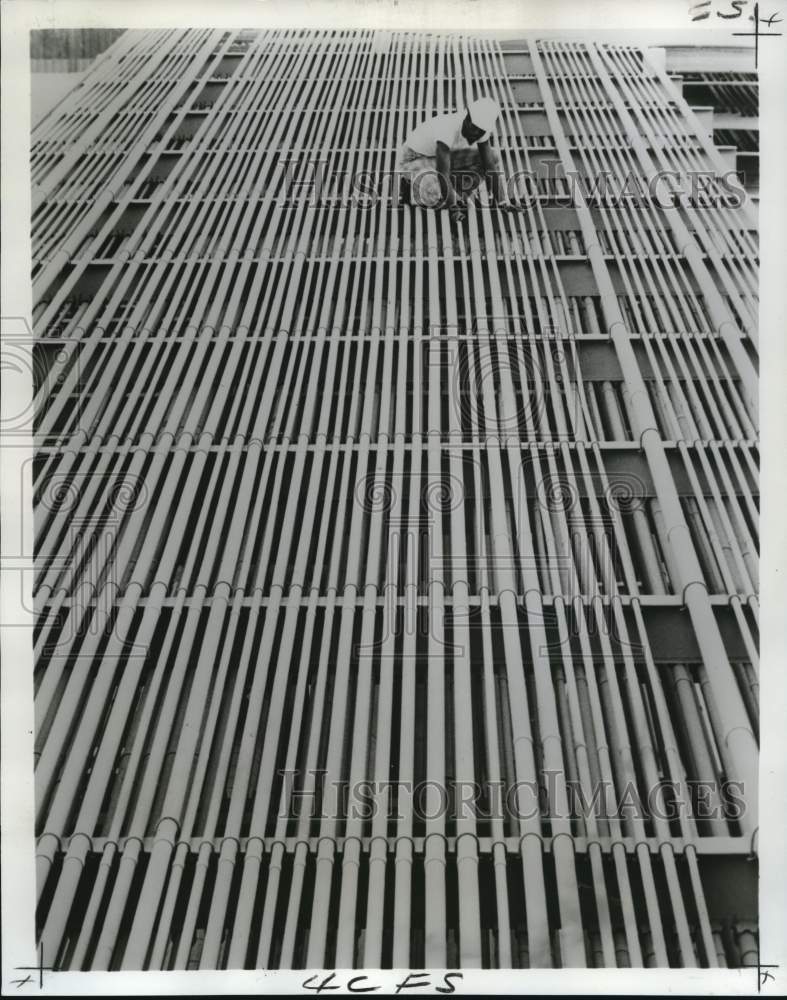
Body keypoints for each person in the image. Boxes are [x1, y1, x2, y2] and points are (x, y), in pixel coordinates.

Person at [398, 96, 522, 222]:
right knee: (434, 195)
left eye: (480, 132)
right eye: (474, 128)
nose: (476, 134)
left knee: (493, 158)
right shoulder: (447, 129)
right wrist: (453, 209)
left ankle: (451, 194)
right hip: (414, 157)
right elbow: (443, 173)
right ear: (467, 118)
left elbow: (490, 166)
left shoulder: (480, 130)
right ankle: (409, 184)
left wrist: (502, 202)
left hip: (438, 158)